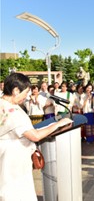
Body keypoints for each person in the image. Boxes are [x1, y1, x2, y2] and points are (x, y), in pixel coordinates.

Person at [0, 73, 72, 201]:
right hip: (14, 163)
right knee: (18, 194)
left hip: (3, 158)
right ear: (16, 90)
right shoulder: (14, 112)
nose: (27, 96)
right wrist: (58, 124)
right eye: (26, 92)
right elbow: (35, 136)